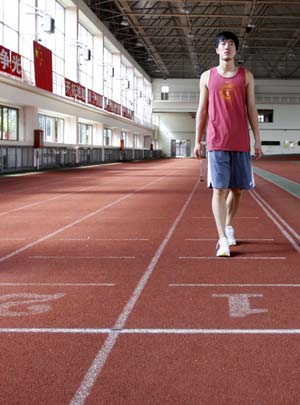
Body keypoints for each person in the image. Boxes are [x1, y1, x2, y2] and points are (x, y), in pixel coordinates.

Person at [194, 31, 263, 257]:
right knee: (219, 189)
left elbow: (251, 109)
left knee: (238, 191)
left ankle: (228, 226)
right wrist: (197, 141)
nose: (227, 47)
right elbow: (202, 110)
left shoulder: (247, 76)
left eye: (231, 44)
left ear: (236, 50)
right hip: (216, 142)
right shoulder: (207, 77)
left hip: (241, 141)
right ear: (216, 49)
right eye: (223, 44)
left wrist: (258, 141)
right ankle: (222, 239)